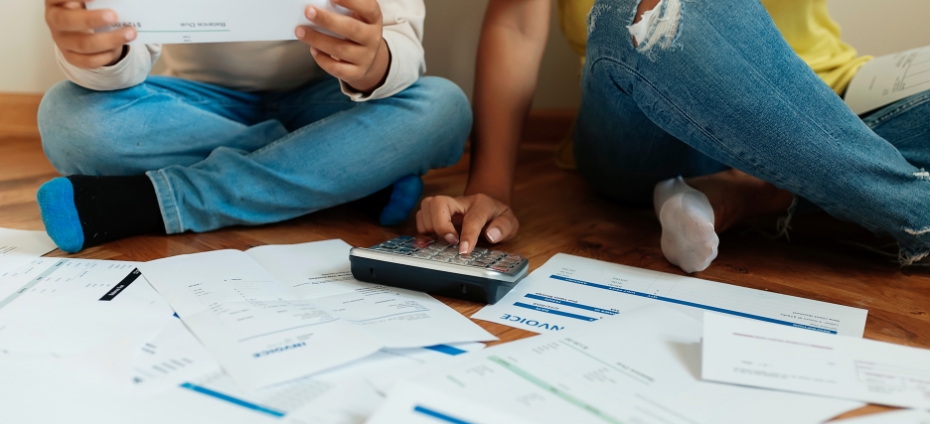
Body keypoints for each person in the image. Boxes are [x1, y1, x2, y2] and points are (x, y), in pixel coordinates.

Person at [416, 0, 930, 272]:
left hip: (830, 102)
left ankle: (754, 192)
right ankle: (909, 207)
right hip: (645, 120)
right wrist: (490, 186)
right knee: (646, 11)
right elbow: (517, 24)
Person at [37, 0, 471, 253]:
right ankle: (353, 176)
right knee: (66, 115)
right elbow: (127, 53)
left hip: (332, 99)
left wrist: (374, 62)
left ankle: (155, 202)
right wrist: (100, 53)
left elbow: (402, 45)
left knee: (444, 106)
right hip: (206, 104)